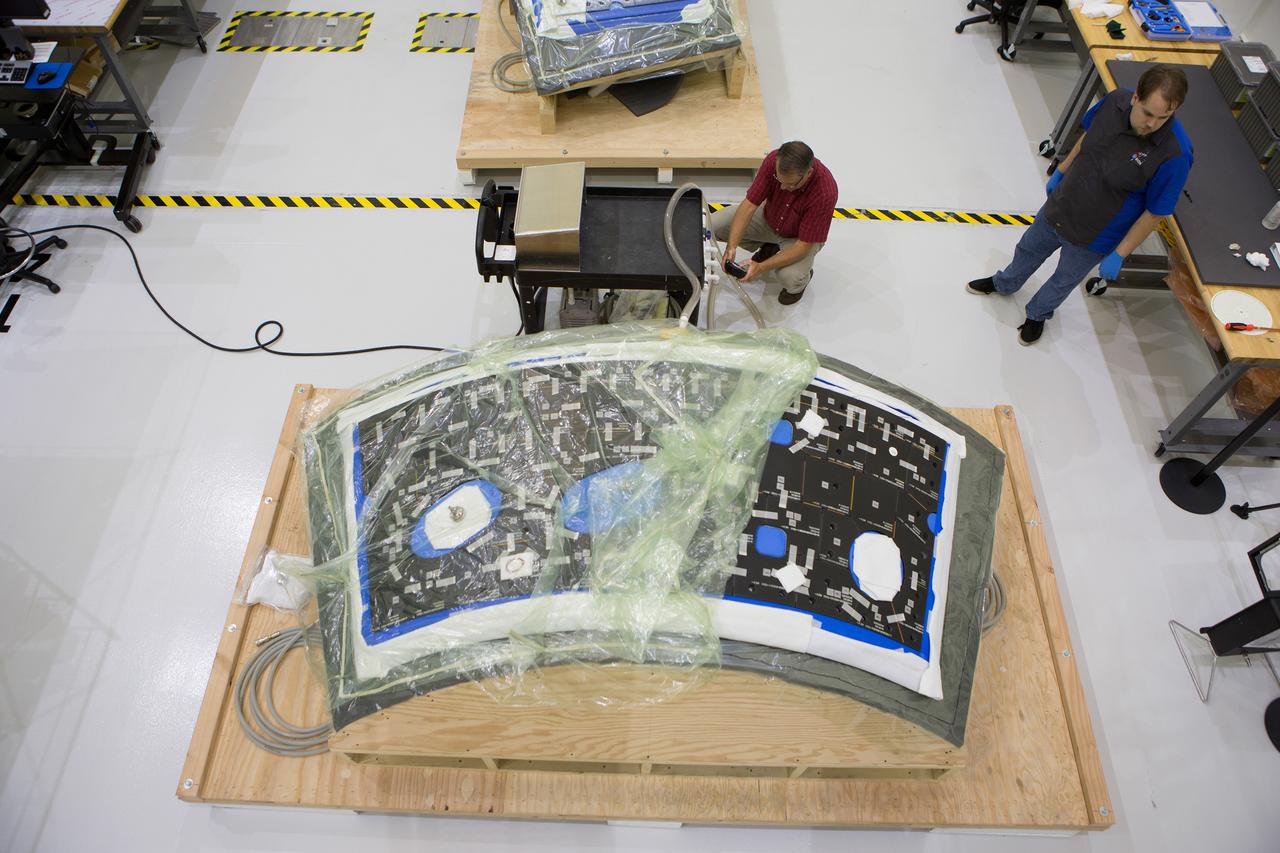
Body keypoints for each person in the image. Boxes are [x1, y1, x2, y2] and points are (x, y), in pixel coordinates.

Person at [968, 65, 1194, 345]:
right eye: (1148, 113)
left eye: (1164, 117)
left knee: (1064, 278)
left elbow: (1156, 212)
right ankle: (1005, 283)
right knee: (1028, 248)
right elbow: (1089, 135)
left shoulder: (1175, 154)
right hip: (1063, 204)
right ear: (1135, 97)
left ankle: (1038, 314)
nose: (1152, 124)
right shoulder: (1114, 102)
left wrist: (1120, 254)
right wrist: (1062, 170)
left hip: (1096, 233)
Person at [711, 140, 838, 305]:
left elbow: (803, 246)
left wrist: (761, 266)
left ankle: (801, 282)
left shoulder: (824, 191)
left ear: (808, 173)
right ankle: (770, 245)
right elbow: (749, 205)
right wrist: (731, 246)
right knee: (715, 224)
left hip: (798, 238)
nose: (783, 188)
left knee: (790, 278)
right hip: (770, 218)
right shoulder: (773, 160)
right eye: (779, 180)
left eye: (791, 184)